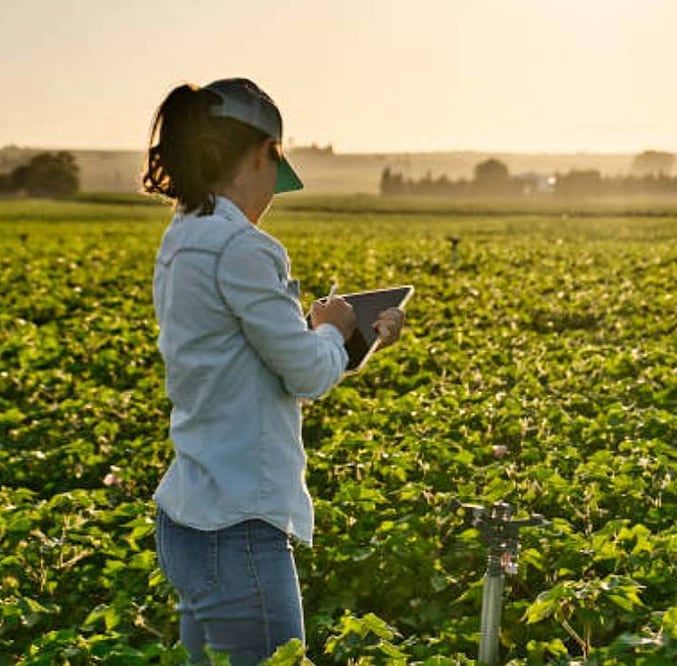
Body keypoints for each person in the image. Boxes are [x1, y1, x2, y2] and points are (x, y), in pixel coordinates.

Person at [142, 78, 405, 665]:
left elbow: (267, 371)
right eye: (274, 173)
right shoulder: (246, 247)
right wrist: (334, 327)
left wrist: (345, 342)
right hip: (237, 528)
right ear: (264, 153)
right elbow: (309, 375)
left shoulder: (182, 237)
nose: (271, 196)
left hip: (191, 516)